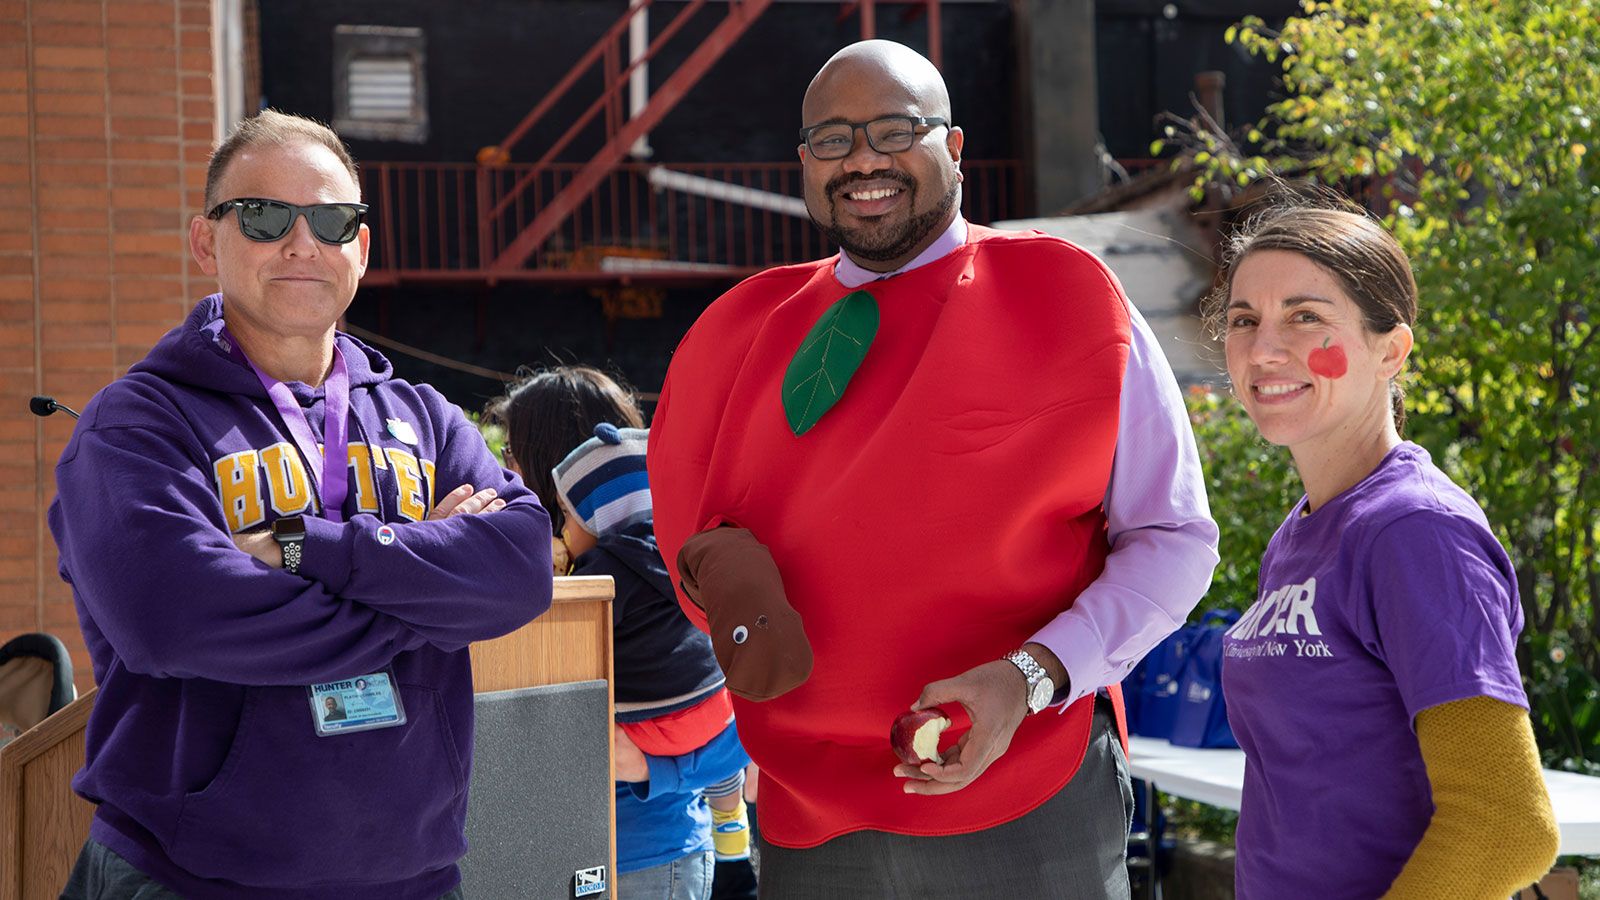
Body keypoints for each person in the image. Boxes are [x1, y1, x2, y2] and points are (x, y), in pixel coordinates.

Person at [647, 40, 1218, 896]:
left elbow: (1173, 540)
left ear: (952, 147)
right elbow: (689, 538)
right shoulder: (738, 329)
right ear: (805, 163)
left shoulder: (1064, 295)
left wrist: (1030, 678)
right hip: (810, 810)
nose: (864, 159)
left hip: (1026, 788)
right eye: (833, 139)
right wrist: (726, 581)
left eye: (894, 128)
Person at [47, 110, 554, 900]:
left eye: (331, 218)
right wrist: (425, 592)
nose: (301, 242)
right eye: (263, 215)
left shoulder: (423, 416)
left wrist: (300, 549)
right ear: (205, 241)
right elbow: (175, 618)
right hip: (190, 879)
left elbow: (521, 569)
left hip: (411, 879)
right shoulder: (136, 423)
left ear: (362, 246)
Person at [1213, 203, 1560, 898]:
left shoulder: (1414, 530)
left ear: (1391, 351)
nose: (1263, 349)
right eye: (1244, 320)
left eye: (1305, 317)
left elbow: (1505, 823)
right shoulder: (1301, 532)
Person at [489, 367, 754, 899]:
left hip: (648, 854)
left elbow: (739, 732)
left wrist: (658, 767)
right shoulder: (519, 570)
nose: (502, 469)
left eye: (513, 455)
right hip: (534, 855)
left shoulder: (649, 568)